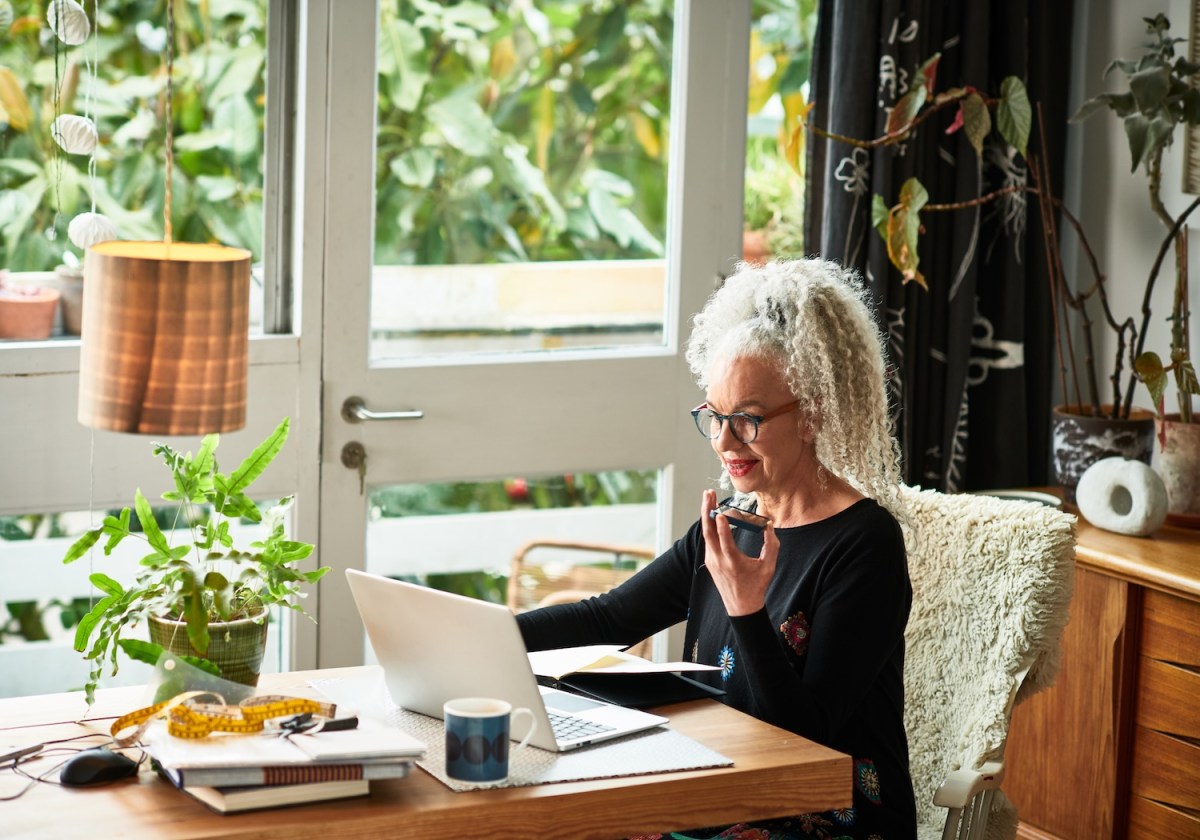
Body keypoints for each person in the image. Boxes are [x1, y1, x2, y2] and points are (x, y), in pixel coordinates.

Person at [516, 257, 917, 839]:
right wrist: (487, 639)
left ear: (814, 413)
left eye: (748, 420)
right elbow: (609, 618)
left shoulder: (866, 545)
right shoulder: (731, 523)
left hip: (826, 815)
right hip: (719, 785)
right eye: (714, 416)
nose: (725, 442)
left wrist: (746, 609)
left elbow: (808, 740)